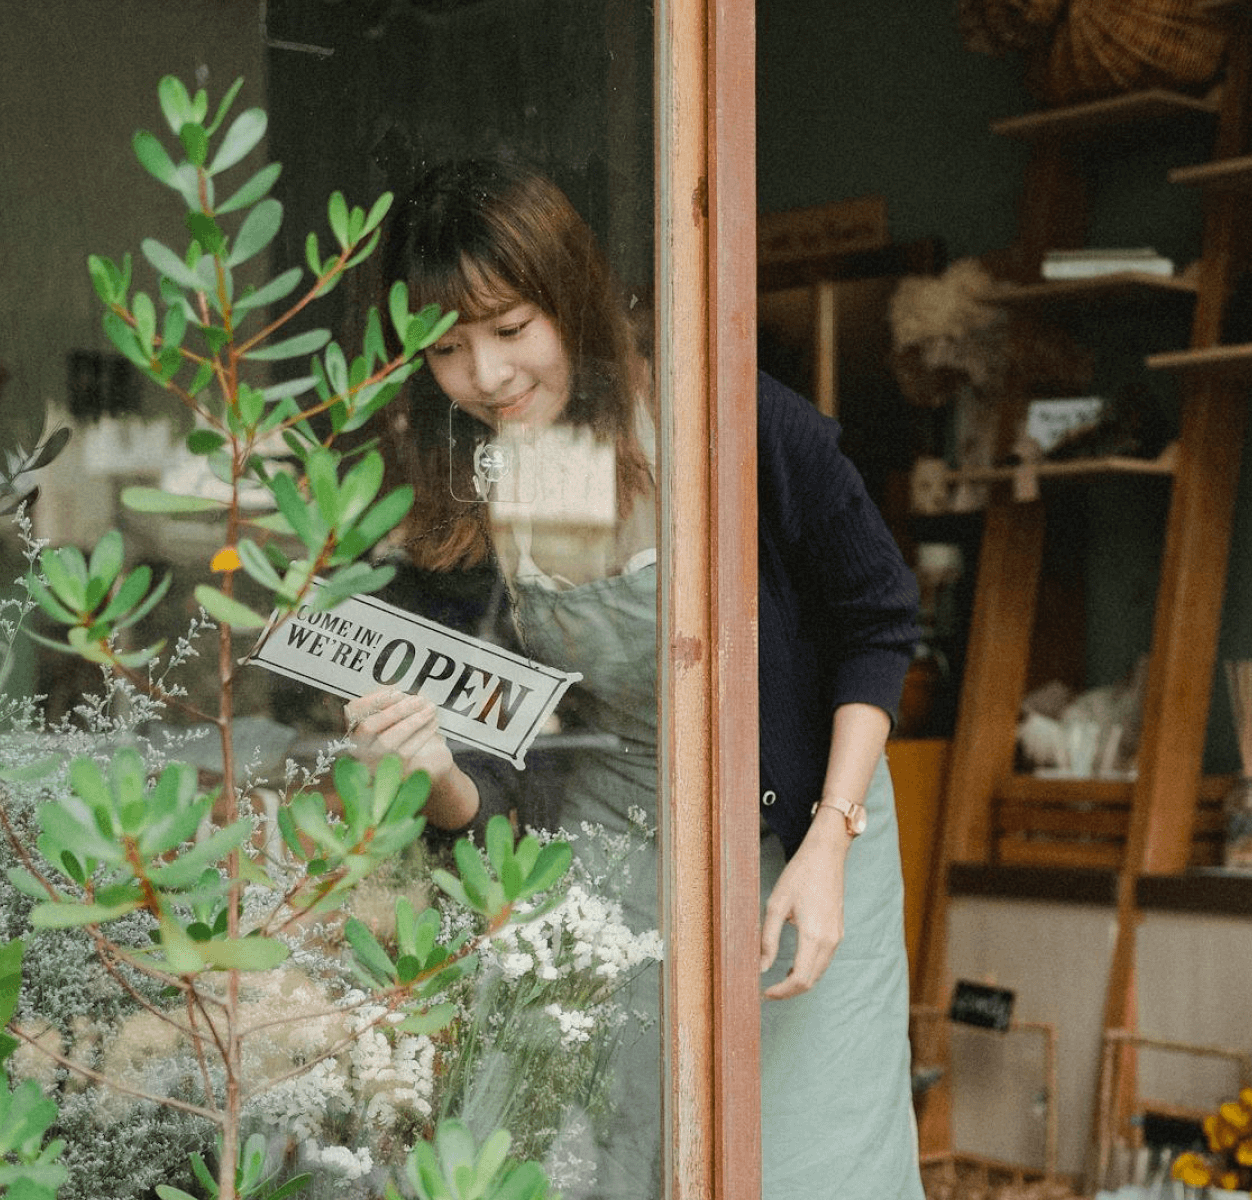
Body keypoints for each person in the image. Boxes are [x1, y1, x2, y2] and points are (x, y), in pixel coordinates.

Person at [342, 156, 926, 1200]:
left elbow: (879, 621)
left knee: (799, 1153)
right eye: (447, 349)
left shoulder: (735, 423)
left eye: (511, 328)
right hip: (609, 840)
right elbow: (498, 772)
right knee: (583, 1140)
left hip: (799, 833)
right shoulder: (458, 486)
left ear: (571, 295)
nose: (486, 376)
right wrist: (430, 767)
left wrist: (830, 842)